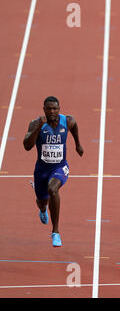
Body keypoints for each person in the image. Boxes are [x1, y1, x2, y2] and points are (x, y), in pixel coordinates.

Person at [23, 96, 84, 247]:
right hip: (41, 170)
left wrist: (78, 144)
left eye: (55, 108)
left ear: (59, 109)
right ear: (43, 109)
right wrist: (38, 128)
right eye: (49, 108)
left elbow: (75, 126)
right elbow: (27, 146)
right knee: (42, 201)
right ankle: (43, 209)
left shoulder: (67, 121)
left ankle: (55, 232)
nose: (52, 111)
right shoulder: (35, 123)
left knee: (53, 189)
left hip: (60, 167)